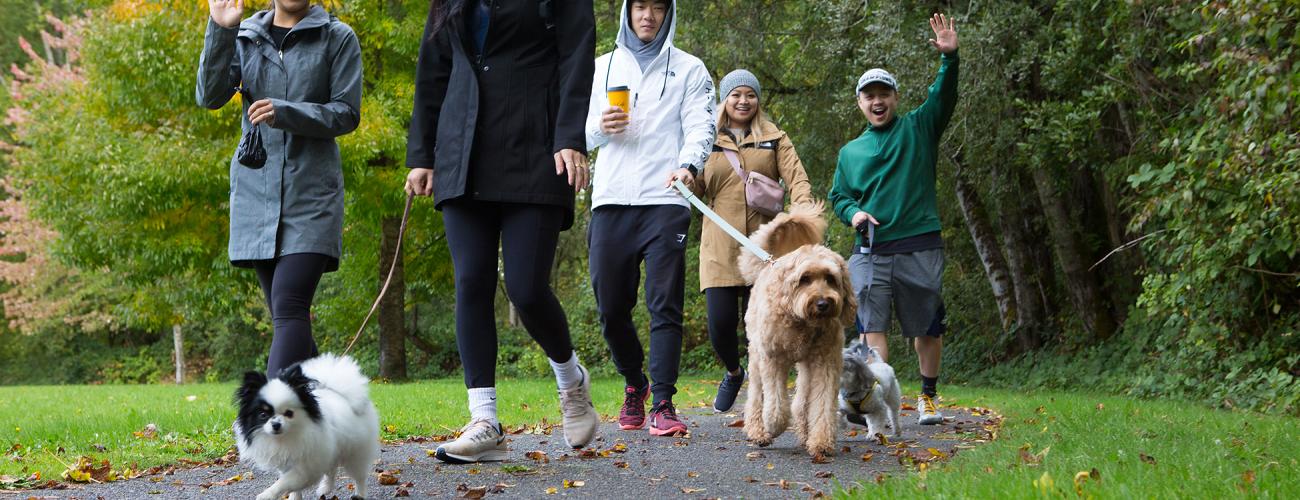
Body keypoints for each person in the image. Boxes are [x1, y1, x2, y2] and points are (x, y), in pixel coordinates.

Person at [404, 0, 598, 462]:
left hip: (535, 144)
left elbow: (577, 54)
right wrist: (422, 153)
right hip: (462, 148)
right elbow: (433, 69)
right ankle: (484, 420)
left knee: (526, 288)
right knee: (471, 281)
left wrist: (570, 136)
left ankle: (571, 381)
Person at [196, 0, 362, 378]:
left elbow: (347, 113)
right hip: (257, 196)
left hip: (312, 195)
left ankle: (265, 427)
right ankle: (331, 412)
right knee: (290, 318)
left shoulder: (337, 37)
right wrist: (220, 28)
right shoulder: (245, 36)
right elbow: (210, 96)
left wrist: (286, 112)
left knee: (289, 307)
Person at [585, 0, 715, 437]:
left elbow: (701, 126)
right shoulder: (601, 67)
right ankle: (635, 383)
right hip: (610, 200)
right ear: (627, 11)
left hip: (666, 196)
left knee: (664, 303)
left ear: (668, 13)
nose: (648, 15)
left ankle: (662, 401)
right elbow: (574, 132)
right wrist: (601, 127)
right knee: (610, 307)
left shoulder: (690, 69)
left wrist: (689, 166)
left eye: (658, 7)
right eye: (640, 6)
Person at [828, 13, 959, 426]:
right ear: (860, 103)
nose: (877, 100)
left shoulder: (919, 128)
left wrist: (949, 59)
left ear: (895, 98)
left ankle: (928, 396)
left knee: (927, 326)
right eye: (869, 95)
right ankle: (875, 398)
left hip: (919, 242)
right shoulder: (850, 152)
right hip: (869, 249)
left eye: (884, 93)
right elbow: (838, 195)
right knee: (871, 324)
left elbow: (944, 97)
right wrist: (854, 213)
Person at [690, 69, 813, 412]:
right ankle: (733, 371)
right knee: (719, 324)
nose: (743, 101)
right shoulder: (705, 139)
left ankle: (766, 393)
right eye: (736, 95)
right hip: (719, 245)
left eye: (750, 95)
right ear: (724, 100)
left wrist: (801, 210)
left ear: (758, 100)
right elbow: (694, 185)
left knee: (765, 325)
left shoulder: (775, 138)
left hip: (766, 247)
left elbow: (797, 178)